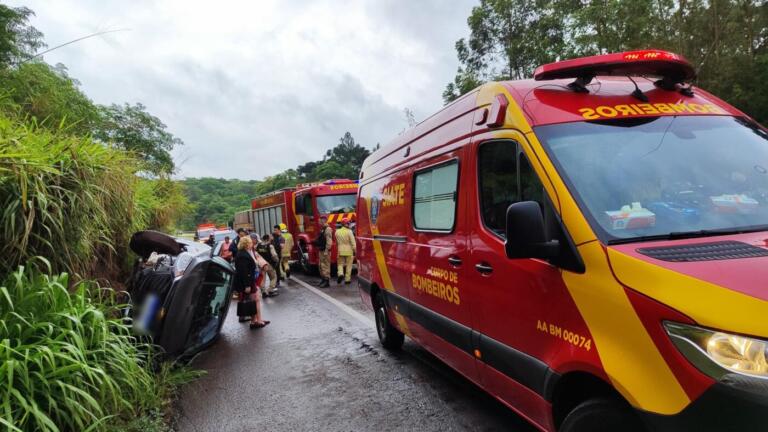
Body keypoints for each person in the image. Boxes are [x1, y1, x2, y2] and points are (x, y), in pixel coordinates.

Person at [234, 236, 269, 329]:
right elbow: (244, 272)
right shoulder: (242, 255)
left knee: (255, 300)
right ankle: (255, 321)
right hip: (248, 282)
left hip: (250, 281)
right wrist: (247, 285)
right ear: (246, 244)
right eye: (250, 243)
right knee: (254, 300)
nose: (252, 244)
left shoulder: (244, 253)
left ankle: (257, 320)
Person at [335, 218, 356, 285]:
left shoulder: (337, 232)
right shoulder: (349, 231)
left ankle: (340, 274)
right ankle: (347, 280)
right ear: (347, 224)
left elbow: (336, 242)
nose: (349, 224)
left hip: (340, 250)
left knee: (340, 264)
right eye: (348, 223)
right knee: (349, 266)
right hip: (349, 251)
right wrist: (355, 251)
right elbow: (353, 242)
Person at [314, 215, 333, 287]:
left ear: (323, 220)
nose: (318, 222)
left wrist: (326, 250)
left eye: (319, 220)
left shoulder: (327, 229)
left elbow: (329, 241)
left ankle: (326, 281)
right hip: (321, 250)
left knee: (325, 266)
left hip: (325, 251)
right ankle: (323, 279)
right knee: (321, 266)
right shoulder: (323, 229)